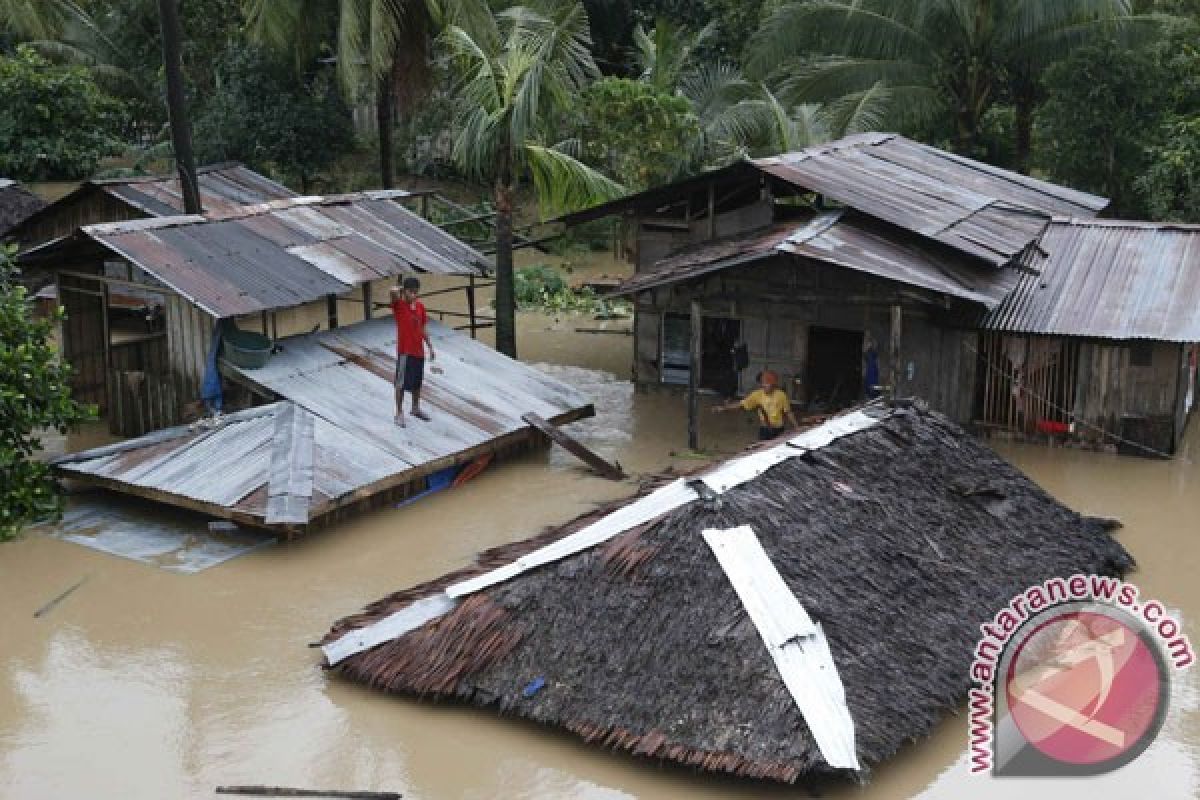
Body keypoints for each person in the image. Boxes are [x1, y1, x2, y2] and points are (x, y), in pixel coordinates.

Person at [390, 276, 436, 427]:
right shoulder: (399, 306)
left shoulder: (420, 307)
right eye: (411, 292)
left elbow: (423, 328)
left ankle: (415, 408)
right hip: (405, 351)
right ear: (405, 292)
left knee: (417, 382)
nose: (414, 295)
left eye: (416, 292)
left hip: (418, 351)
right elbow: (392, 291)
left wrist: (429, 346)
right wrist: (402, 290)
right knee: (401, 383)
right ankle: (399, 413)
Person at [712, 369, 799, 440]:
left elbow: (788, 412)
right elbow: (741, 404)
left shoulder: (781, 395)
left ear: (773, 384)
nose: (764, 385)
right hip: (765, 430)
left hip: (779, 429)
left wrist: (796, 427)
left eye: (767, 383)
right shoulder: (757, 395)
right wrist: (723, 408)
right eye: (763, 383)